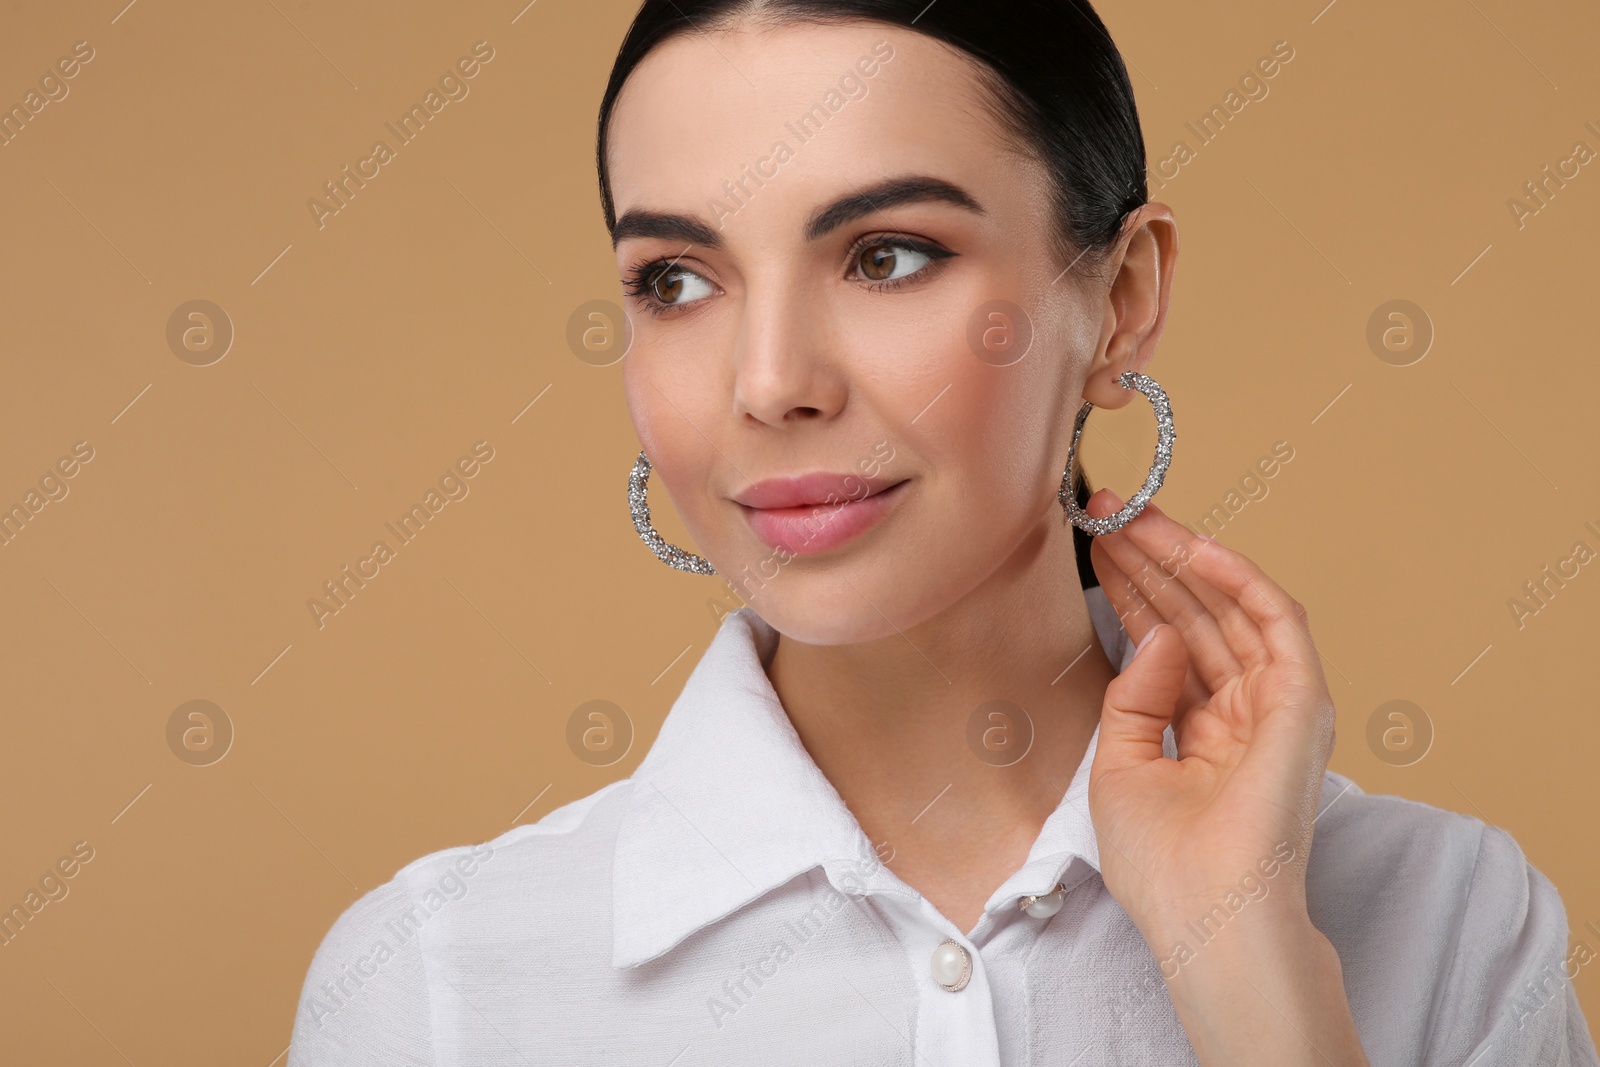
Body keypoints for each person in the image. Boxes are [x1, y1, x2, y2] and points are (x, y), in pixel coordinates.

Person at [287, 2, 1600, 1063]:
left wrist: (1251, 983)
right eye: (676, 282)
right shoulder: (435, 983)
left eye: (888, 256)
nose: (768, 381)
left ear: (1122, 300)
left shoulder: (1440, 921)